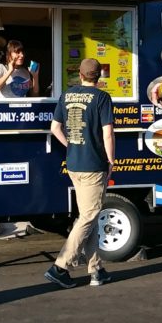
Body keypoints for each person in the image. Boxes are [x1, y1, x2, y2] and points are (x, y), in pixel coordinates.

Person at [44, 58, 116, 289]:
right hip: (93, 166)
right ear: (99, 76)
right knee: (88, 217)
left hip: (74, 164)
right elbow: (108, 133)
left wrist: (70, 145)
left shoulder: (66, 95)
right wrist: (111, 160)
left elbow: (55, 128)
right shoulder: (102, 98)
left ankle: (96, 270)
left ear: (80, 74)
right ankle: (60, 267)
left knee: (90, 216)